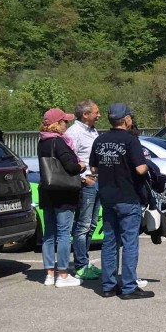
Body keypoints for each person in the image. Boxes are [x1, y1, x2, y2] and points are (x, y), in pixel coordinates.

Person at [90, 102, 152, 299]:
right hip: (127, 196)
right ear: (126, 119)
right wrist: (148, 166)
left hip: (107, 196)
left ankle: (108, 285)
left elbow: (93, 169)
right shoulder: (130, 140)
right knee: (129, 242)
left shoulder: (99, 140)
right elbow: (140, 169)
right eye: (130, 117)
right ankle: (128, 287)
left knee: (110, 241)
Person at [37, 108, 84, 287]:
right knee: (64, 233)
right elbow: (71, 167)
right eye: (64, 121)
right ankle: (63, 274)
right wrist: (81, 165)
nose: (66, 124)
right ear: (57, 124)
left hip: (47, 191)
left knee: (49, 234)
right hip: (63, 192)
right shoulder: (59, 142)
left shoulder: (42, 141)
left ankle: (49, 274)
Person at [64, 99, 101, 280]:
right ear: (85, 114)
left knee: (92, 224)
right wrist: (83, 179)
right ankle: (80, 265)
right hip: (86, 185)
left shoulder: (93, 130)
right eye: (96, 112)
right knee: (82, 225)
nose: (99, 115)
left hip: (97, 181)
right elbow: (69, 162)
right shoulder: (73, 133)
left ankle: (85, 262)